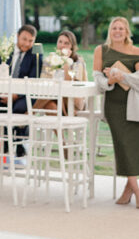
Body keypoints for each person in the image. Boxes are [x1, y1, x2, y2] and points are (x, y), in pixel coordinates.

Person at [93, 17, 139, 207]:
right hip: (114, 106)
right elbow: (98, 79)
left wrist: (122, 76)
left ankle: (128, 191)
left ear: (127, 31)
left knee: (133, 147)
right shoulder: (101, 50)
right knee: (122, 145)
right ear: (110, 31)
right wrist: (110, 81)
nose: (117, 31)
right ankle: (137, 190)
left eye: (121, 28)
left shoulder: (137, 52)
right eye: (114, 28)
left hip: (134, 106)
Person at [0, 24, 41, 159]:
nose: (27, 43)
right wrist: (4, 94)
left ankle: (16, 143)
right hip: (5, 93)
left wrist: (16, 95)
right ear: (18, 37)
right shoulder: (7, 51)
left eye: (31, 41)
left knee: (17, 110)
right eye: (24, 39)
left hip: (24, 96)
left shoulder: (36, 55)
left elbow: (33, 80)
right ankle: (9, 140)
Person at [38, 29, 88, 113]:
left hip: (73, 99)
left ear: (72, 46)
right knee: (50, 106)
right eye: (60, 42)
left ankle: (30, 113)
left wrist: (65, 61)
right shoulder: (49, 60)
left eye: (66, 43)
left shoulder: (78, 61)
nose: (62, 45)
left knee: (52, 96)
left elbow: (71, 84)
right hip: (53, 97)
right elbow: (44, 82)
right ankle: (61, 124)